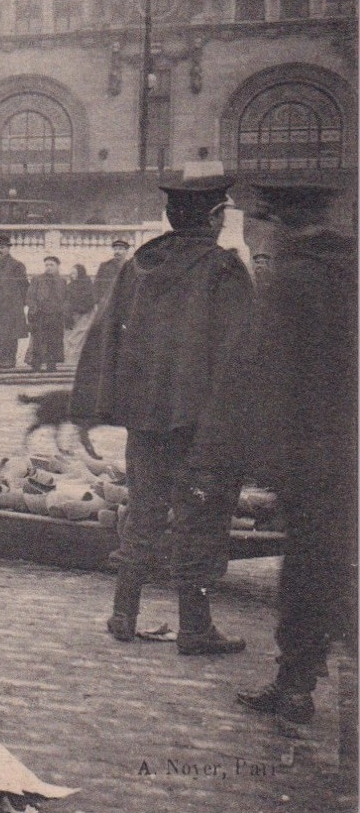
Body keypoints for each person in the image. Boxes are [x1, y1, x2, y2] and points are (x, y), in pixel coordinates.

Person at [191, 180, 355, 724]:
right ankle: (307, 678)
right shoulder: (348, 273)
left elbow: (256, 367)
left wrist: (234, 447)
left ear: (283, 225)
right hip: (343, 449)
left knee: (310, 568)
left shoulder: (289, 280)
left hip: (315, 453)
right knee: (331, 565)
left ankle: (296, 686)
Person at [70, 174, 253, 655]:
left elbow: (107, 336)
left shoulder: (141, 263)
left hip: (147, 420)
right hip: (201, 423)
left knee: (144, 510)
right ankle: (195, 628)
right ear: (213, 219)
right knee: (201, 519)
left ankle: (123, 613)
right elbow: (239, 353)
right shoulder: (223, 269)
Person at [0, 235, 28, 369]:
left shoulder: (17, 265)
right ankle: (2, 359)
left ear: (9, 248)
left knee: (12, 333)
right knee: (1, 333)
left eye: (4, 247)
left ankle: (10, 360)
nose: (1, 250)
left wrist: (20, 303)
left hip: (13, 305)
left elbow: (24, 285)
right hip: (0, 305)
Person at [25, 256, 68, 371]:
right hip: (40, 315)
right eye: (47, 265)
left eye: (51, 265)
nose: (48, 267)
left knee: (54, 340)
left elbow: (66, 298)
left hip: (55, 315)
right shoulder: (37, 279)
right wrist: (34, 309)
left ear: (57, 266)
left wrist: (63, 310)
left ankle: (51, 365)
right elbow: (30, 297)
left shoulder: (62, 281)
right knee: (38, 340)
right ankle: (36, 365)